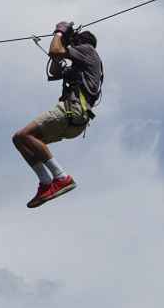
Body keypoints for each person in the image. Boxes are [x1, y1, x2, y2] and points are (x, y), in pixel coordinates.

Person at [12, 20, 103, 208]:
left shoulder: (88, 50)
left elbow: (55, 50)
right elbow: (54, 70)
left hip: (73, 109)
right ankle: (46, 182)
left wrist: (60, 33)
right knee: (21, 140)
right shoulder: (81, 66)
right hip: (75, 121)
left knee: (24, 135)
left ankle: (62, 178)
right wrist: (61, 48)